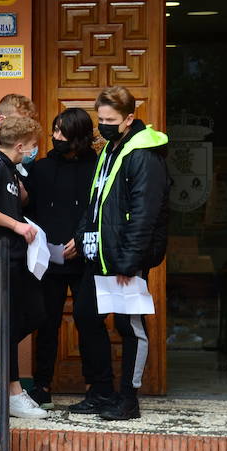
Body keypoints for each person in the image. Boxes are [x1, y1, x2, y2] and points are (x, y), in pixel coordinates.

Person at [68, 85, 168, 421]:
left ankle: (128, 398)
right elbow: (97, 201)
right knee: (85, 316)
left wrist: (129, 260)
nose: (104, 126)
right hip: (99, 254)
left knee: (129, 326)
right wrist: (81, 235)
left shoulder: (143, 153)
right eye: (101, 119)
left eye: (111, 120)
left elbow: (144, 214)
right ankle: (101, 392)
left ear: (129, 118)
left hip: (125, 257)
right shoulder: (112, 149)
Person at [0, 115, 48, 419]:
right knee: (7, 323)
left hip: (15, 258)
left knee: (33, 314)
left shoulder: (11, 169)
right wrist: (16, 225)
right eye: (32, 146)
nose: (34, 151)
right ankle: (13, 390)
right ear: (19, 146)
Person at [24, 107, 97, 408]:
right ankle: (42, 386)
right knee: (47, 323)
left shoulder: (97, 168)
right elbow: (29, 211)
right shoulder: (40, 168)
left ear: (78, 135)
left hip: (86, 257)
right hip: (49, 260)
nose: (56, 136)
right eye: (55, 130)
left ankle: (95, 387)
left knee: (90, 323)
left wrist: (81, 240)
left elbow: (100, 211)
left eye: (62, 132)